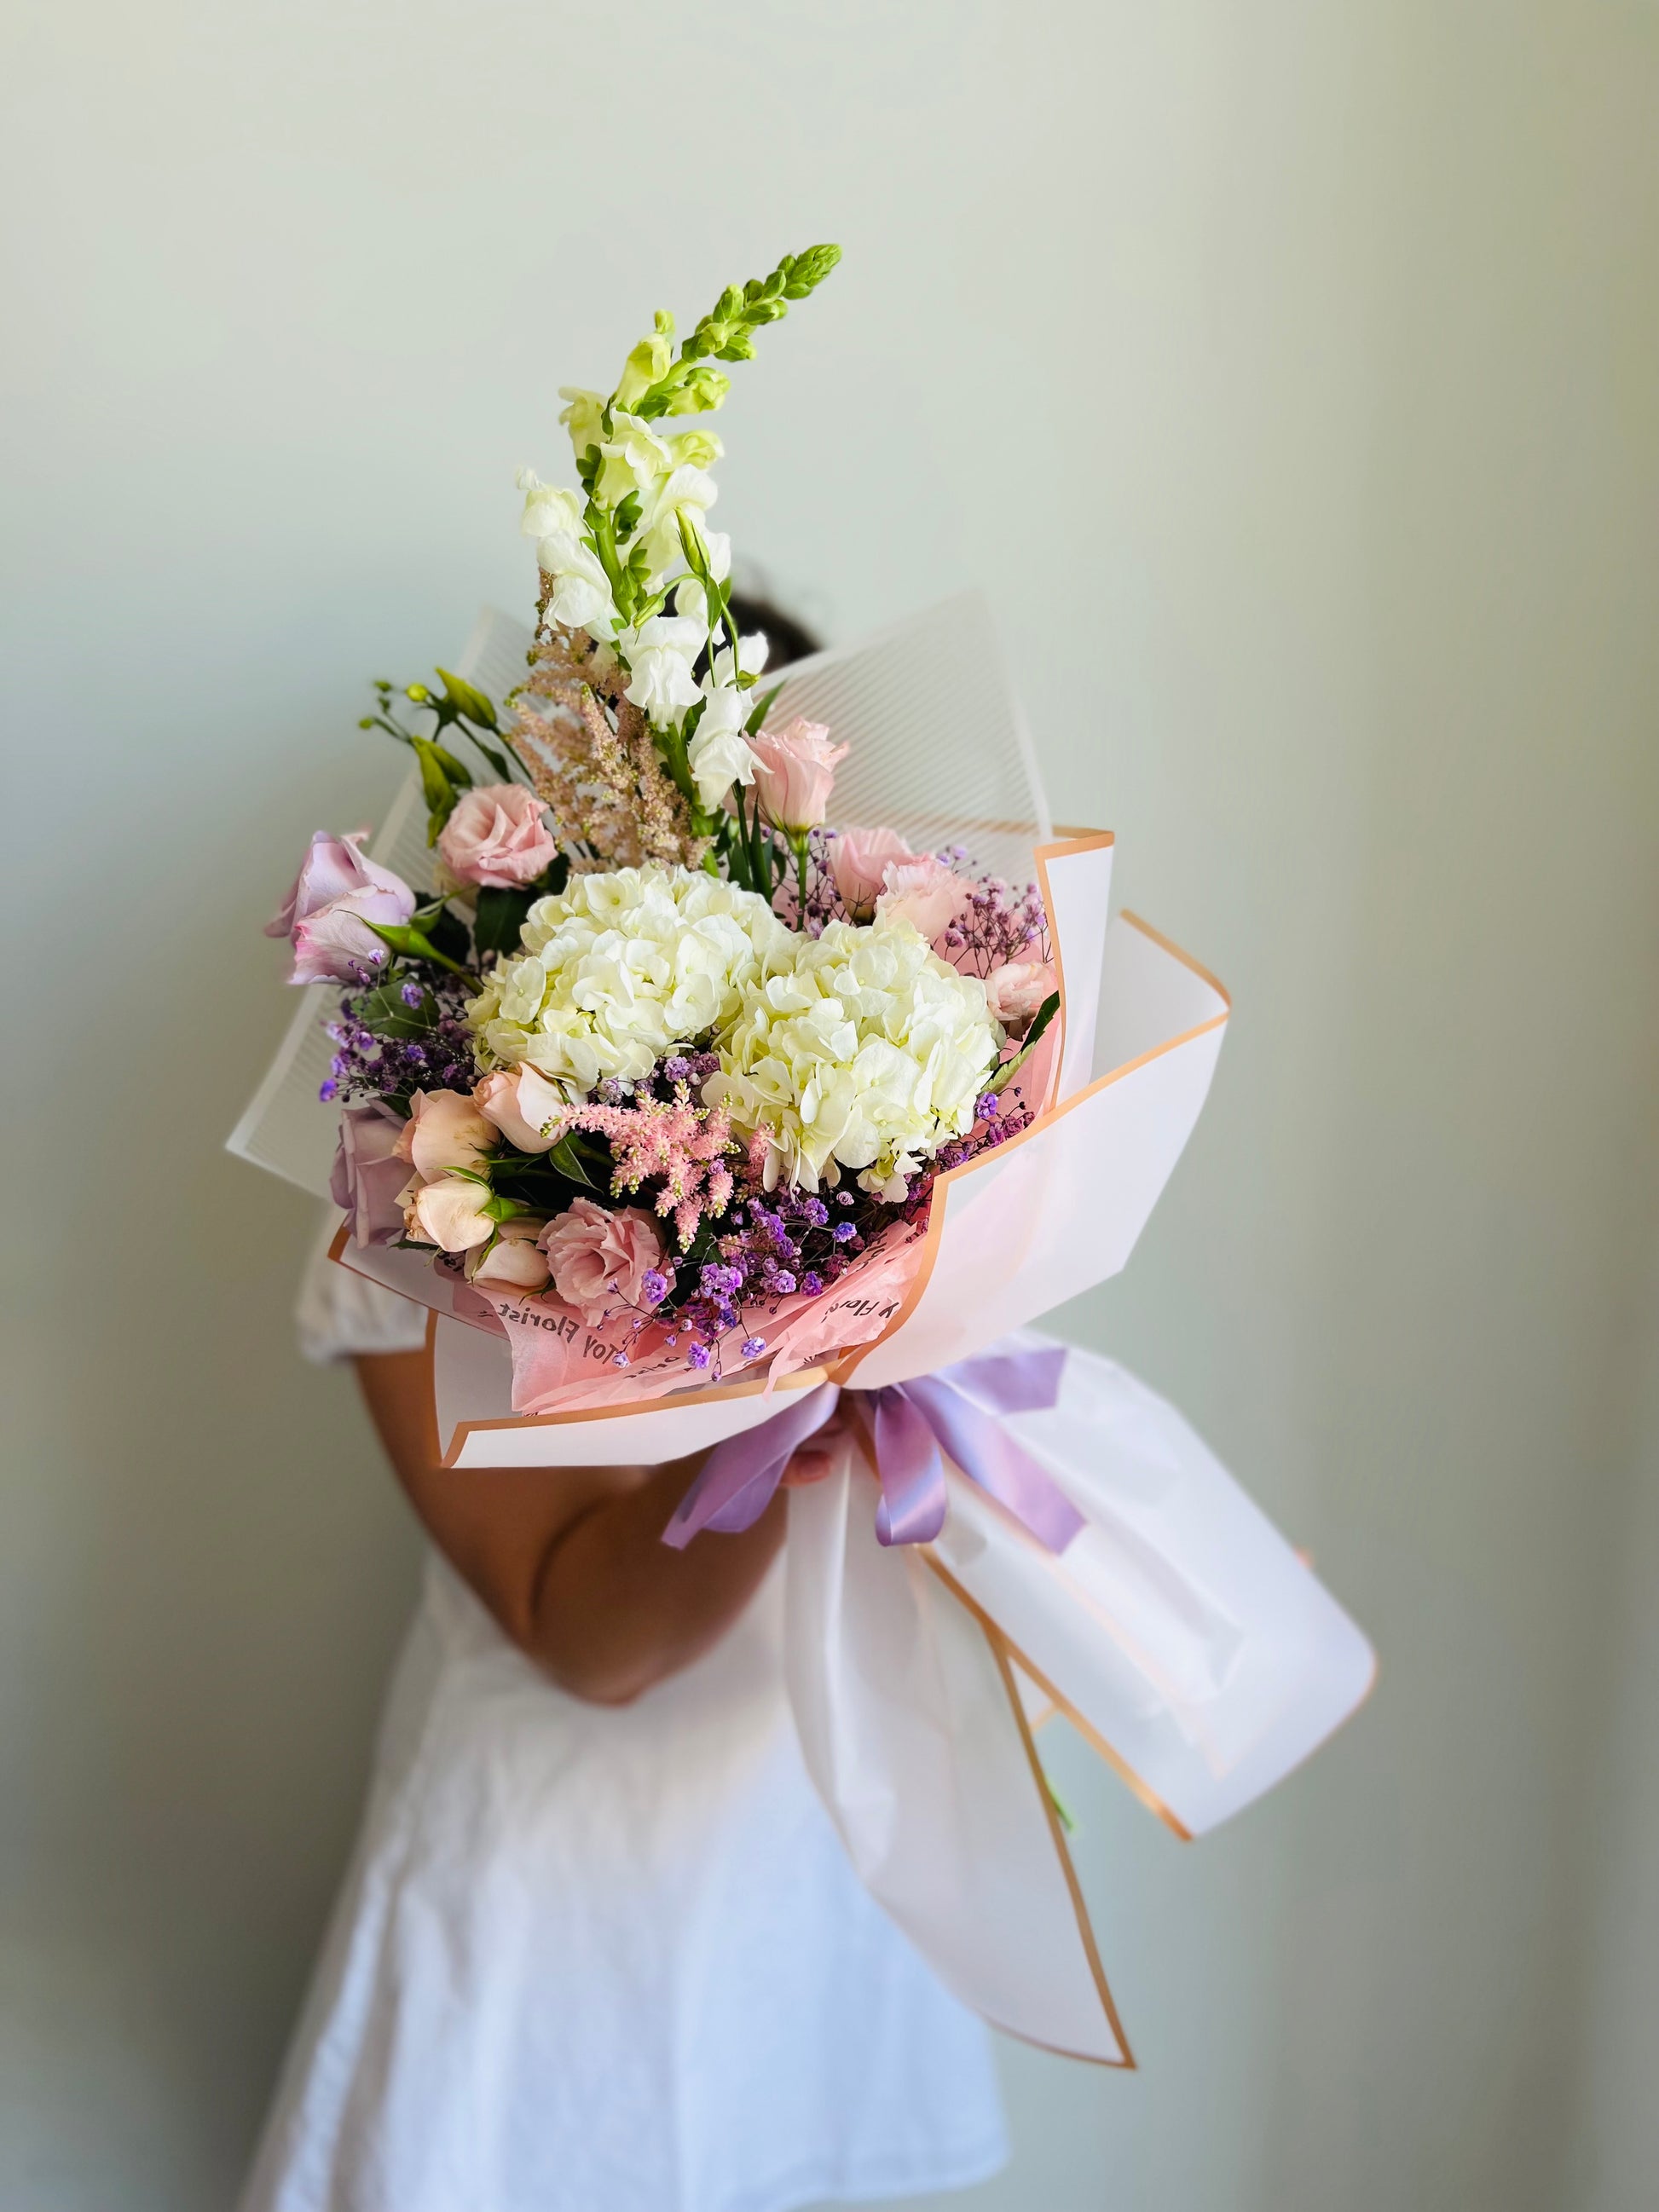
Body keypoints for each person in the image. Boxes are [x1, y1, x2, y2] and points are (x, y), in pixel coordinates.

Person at [236, 600, 1009, 2212]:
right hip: (553, 1925)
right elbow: (593, 1639)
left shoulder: (888, 1146)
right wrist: (805, 1405)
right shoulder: (410, 1218)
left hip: (810, 1874)